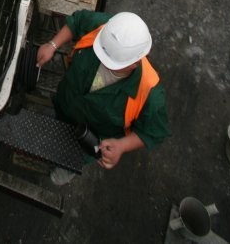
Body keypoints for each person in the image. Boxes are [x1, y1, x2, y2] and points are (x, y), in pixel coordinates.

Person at [36, 10, 169, 184]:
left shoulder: (149, 94)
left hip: (87, 139)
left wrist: (121, 146)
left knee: (69, 160)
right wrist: (53, 44)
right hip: (65, 103)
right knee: (54, 129)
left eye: (110, 62)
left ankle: (64, 170)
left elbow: (152, 132)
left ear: (135, 62)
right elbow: (77, 21)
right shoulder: (105, 29)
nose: (102, 61)